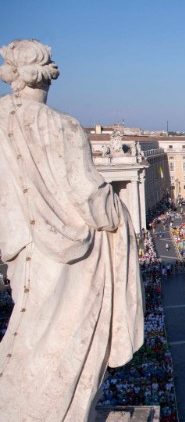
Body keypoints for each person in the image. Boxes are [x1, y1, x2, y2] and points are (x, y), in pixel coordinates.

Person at [0, 40, 144, 420]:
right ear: (47, 78)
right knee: (68, 338)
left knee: (31, 329)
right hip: (72, 258)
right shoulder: (62, 127)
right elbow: (93, 199)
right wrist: (121, 218)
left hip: (21, 249)